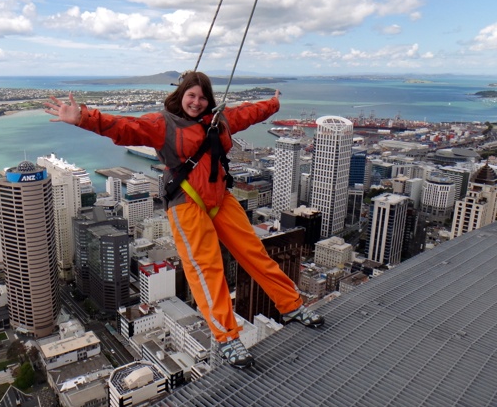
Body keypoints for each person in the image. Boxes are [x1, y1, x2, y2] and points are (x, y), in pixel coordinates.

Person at [45, 71, 323, 369]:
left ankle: (292, 305)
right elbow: (125, 127)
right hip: (186, 202)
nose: (197, 102)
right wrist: (83, 118)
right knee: (207, 267)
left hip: (220, 197)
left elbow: (247, 113)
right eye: (191, 95)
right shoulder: (164, 124)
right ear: (181, 96)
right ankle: (227, 337)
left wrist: (273, 105)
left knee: (254, 253)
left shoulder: (219, 121)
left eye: (202, 97)